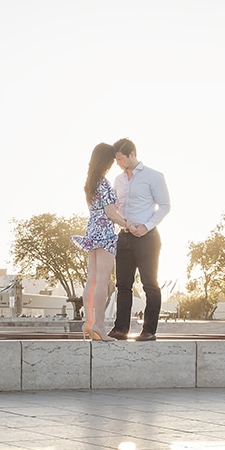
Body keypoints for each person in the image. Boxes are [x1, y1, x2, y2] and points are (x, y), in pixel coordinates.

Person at [108, 137, 171, 341]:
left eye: (120, 158)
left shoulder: (153, 176)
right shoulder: (118, 180)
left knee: (149, 284)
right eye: (116, 159)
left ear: (132, 154)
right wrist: (121, 222)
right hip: (124, 237)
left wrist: (146, 226)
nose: (118, 162)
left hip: (147, 238)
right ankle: (120, 329)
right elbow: (116, 207)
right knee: (123, 285)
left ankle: (149, 330)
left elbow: (165, 206)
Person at [71, 142, 129, 340]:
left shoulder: (91, 181)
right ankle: (100, 325)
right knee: (103, 280)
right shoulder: (103, 183)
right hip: (105, 232)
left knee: (92, 279)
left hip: (92, 229)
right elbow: (111, 213)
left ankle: (88, 323)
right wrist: (127, 224)